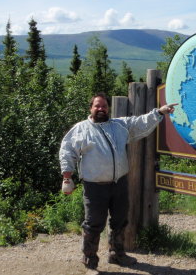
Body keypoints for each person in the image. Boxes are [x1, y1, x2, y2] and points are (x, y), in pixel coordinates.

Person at [59, 92, 176, 273]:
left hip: (119, 183)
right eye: (97, 106)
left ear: (108, 109)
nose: (101, 109)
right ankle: (90, 262)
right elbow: (67, 151)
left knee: (120, 221)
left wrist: (159, 113)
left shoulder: (119, 125)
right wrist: (67, 176)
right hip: (94, 187)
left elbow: (139, 122)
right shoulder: (80, 129)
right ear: (90, 108)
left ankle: (117, 254)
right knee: (93, 224)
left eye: (104, 106)